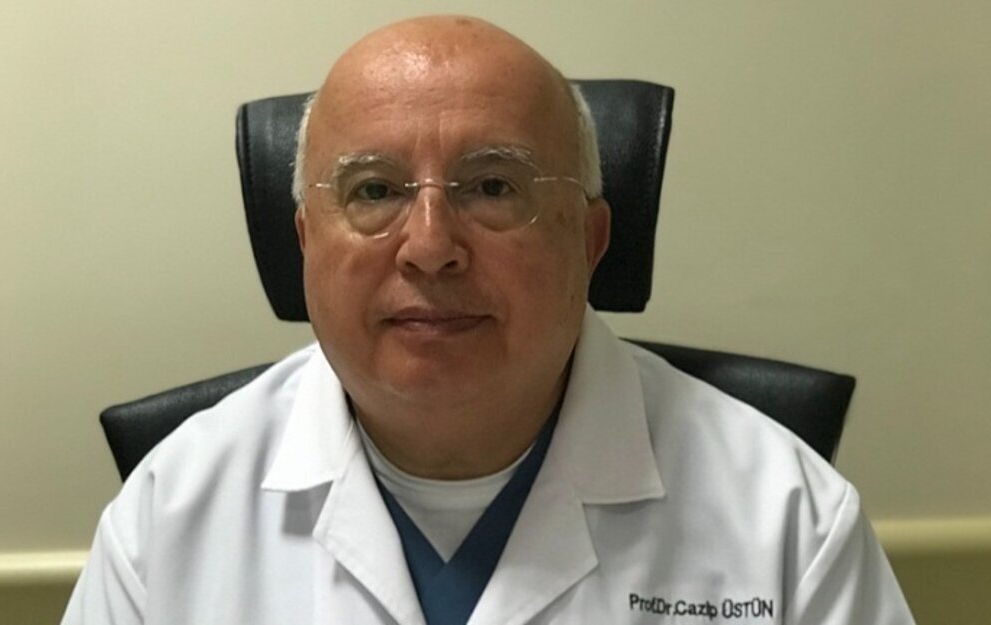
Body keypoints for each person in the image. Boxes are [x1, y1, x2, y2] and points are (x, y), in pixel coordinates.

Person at [63, 15, 915, 624]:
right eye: (373, 190)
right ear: (305, 243)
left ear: (590, 239)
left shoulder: (789, 522)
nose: (430, 247)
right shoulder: (167, 517)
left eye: (494, 187)